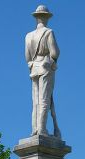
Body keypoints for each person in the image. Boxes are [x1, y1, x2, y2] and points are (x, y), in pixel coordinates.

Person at [25, 5, 61, 137]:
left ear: (36, 18)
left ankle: (35, 128)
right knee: (45, 100)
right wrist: (51, 62)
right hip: (45, 67)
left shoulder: (28, 36)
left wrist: (33, 64)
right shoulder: (48, 32)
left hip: (34, 68)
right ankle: (41, 129)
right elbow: (55, 53)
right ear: (46, 18)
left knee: (35, 101)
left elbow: (27, 58)